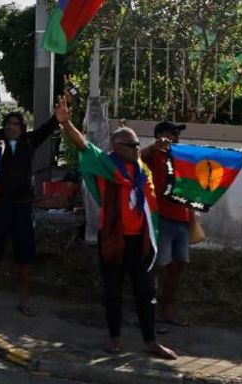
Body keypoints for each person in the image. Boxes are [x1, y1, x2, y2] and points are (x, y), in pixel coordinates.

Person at [59, 101, 177, 359]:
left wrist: (151, 145)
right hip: (114, 239)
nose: (136, 149)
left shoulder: (140, 170)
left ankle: (151, 340)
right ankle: (114, 337)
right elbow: (83, 146)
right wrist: (66, 123)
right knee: (112, 291)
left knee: (146, 293)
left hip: (141, 242)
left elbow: (145, 154)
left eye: (137, 144)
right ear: (115, 148)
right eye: (131, 145)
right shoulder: (106, 166)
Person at [0, 91, 70, 317]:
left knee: (25, 257)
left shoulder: (29, 142)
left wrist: (61, 111)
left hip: (22, 208)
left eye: (16, 125)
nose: (12, 127)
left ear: (21, 128)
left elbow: (48, 127)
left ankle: (24, 300)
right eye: (9, 124)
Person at [141, 120, 195, 329]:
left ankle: (165, 310)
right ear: (159, 137)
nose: (175, 137)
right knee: (159, 268)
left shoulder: (180, 157)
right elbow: (138, 158)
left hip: (181, 219)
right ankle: (150, 313)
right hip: (161, 219)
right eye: (171, 134)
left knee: (178, 265)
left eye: (176, 134)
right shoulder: (154, 155)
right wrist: (155, 147)